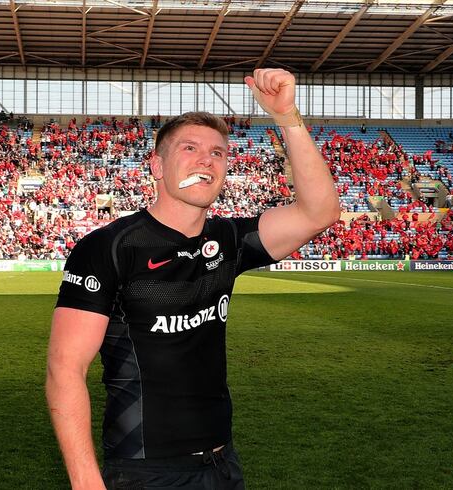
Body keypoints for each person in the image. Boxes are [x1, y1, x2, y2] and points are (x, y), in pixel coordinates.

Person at [46, 68, 340, 490]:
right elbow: (64, 369)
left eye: (219, 153)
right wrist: (86, 482)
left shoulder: (228, 240)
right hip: (146, 470)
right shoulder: (109, 247)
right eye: (190, 148)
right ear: (157, 166)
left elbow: (320, 213)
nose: (207, 159)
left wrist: (287, 115)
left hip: (223, 463)